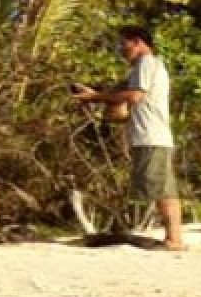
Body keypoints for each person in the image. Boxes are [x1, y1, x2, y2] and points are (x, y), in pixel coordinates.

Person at [73, 25, 184, 251]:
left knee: (161, 190)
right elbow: (120, 106)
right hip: (151, 137)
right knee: (165, 189)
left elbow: (134, 96)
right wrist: (92, 95)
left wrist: (95, 96)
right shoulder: (141, 69)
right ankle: (174, 238)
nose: (121, 49)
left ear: (138, 42)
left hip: (151, 136)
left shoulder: (147, 62)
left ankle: (174, 240)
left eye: (124, 43)